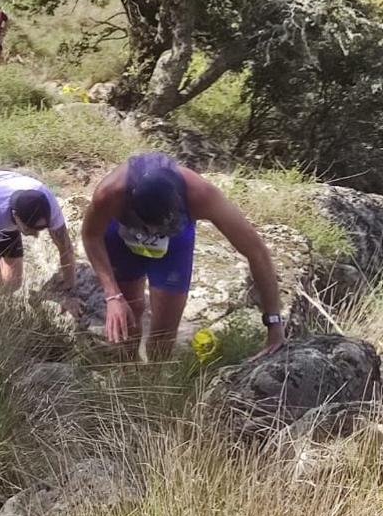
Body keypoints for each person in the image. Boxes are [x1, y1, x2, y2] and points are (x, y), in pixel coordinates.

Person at [80, 152, 286, 360]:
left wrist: (274, 322)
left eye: (161, 228)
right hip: (121, 239)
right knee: (129, 314)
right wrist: (112, 295)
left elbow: (257, 252)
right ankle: (129, 374)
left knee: (164, 334)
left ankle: (154, 380)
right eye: (147, 227)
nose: (152, 234)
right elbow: (91, 236)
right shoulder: (110, 193)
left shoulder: (200, 194)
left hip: (174, 247)